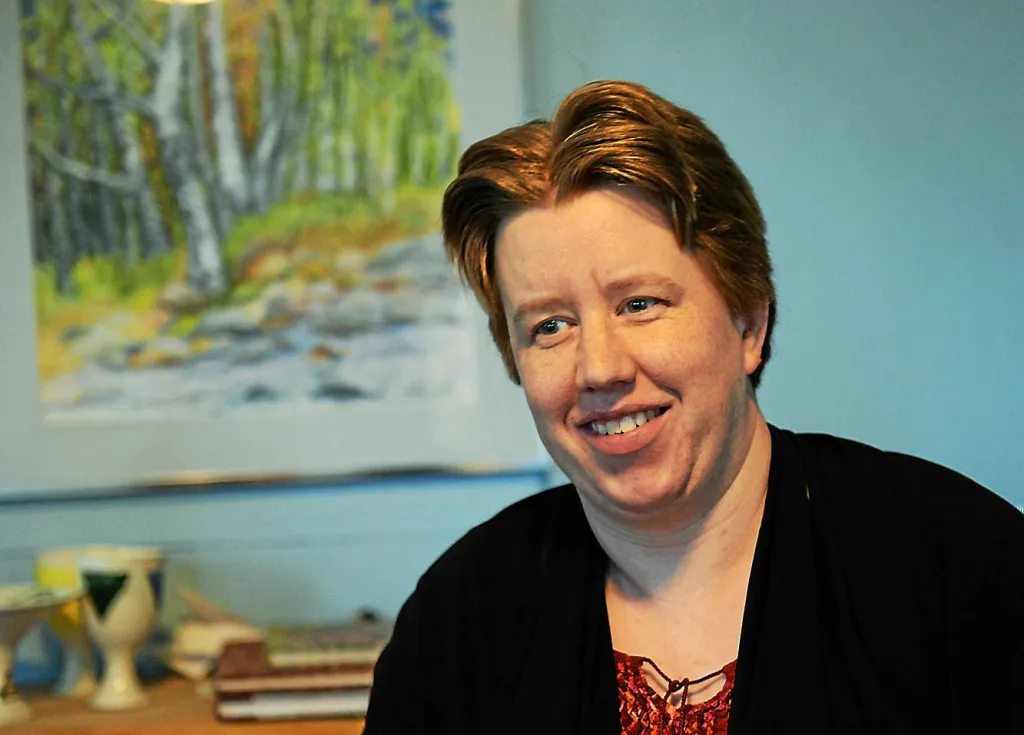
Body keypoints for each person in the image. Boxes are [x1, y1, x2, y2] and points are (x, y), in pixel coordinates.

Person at [362, 80, 1023, 734]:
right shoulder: (460, 619)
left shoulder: (961, 566)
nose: (599, 368)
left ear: (748, 323)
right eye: (550, 326)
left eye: (639, 304)